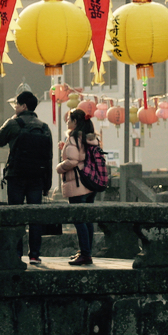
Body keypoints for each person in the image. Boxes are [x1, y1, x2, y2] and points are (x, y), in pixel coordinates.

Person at [0, 90, 52, 265]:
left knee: (15, 215)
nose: (15, 107)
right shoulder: (44, 127)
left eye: (17, 104)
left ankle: (16, 253)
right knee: (35, 217)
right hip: (37, 178)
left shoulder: (13, 123)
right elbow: (48, 157)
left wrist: (11, 121)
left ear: (23, 106)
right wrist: (46, 184)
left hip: (16, 176)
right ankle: (34, 254)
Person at [56, 108, 99, 266]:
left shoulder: (74, 137)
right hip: (90, 183)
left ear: (75, 122)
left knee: (79, 219)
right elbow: (83, 157)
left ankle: (85, 254)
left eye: (69, 119)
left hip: (77, 184)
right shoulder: (90, 137)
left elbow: (73, 161)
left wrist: (59, 167)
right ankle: (85, 251)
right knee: (87, 219)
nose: (67, 122)